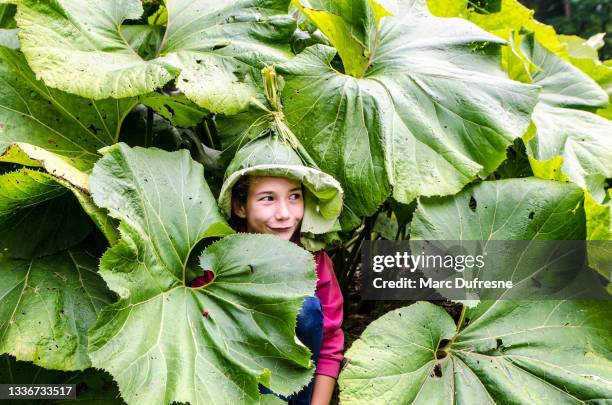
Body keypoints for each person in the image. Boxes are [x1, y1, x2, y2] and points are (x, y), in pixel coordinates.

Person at [211, 135, 344, 404]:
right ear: (240, 206)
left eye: (294, 196)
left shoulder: (315, 261)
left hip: (295, 390)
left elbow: (330, 345)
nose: (284, 213)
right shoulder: (218, 261)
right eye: (268, 198)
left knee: (306, 308)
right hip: (233, 387)